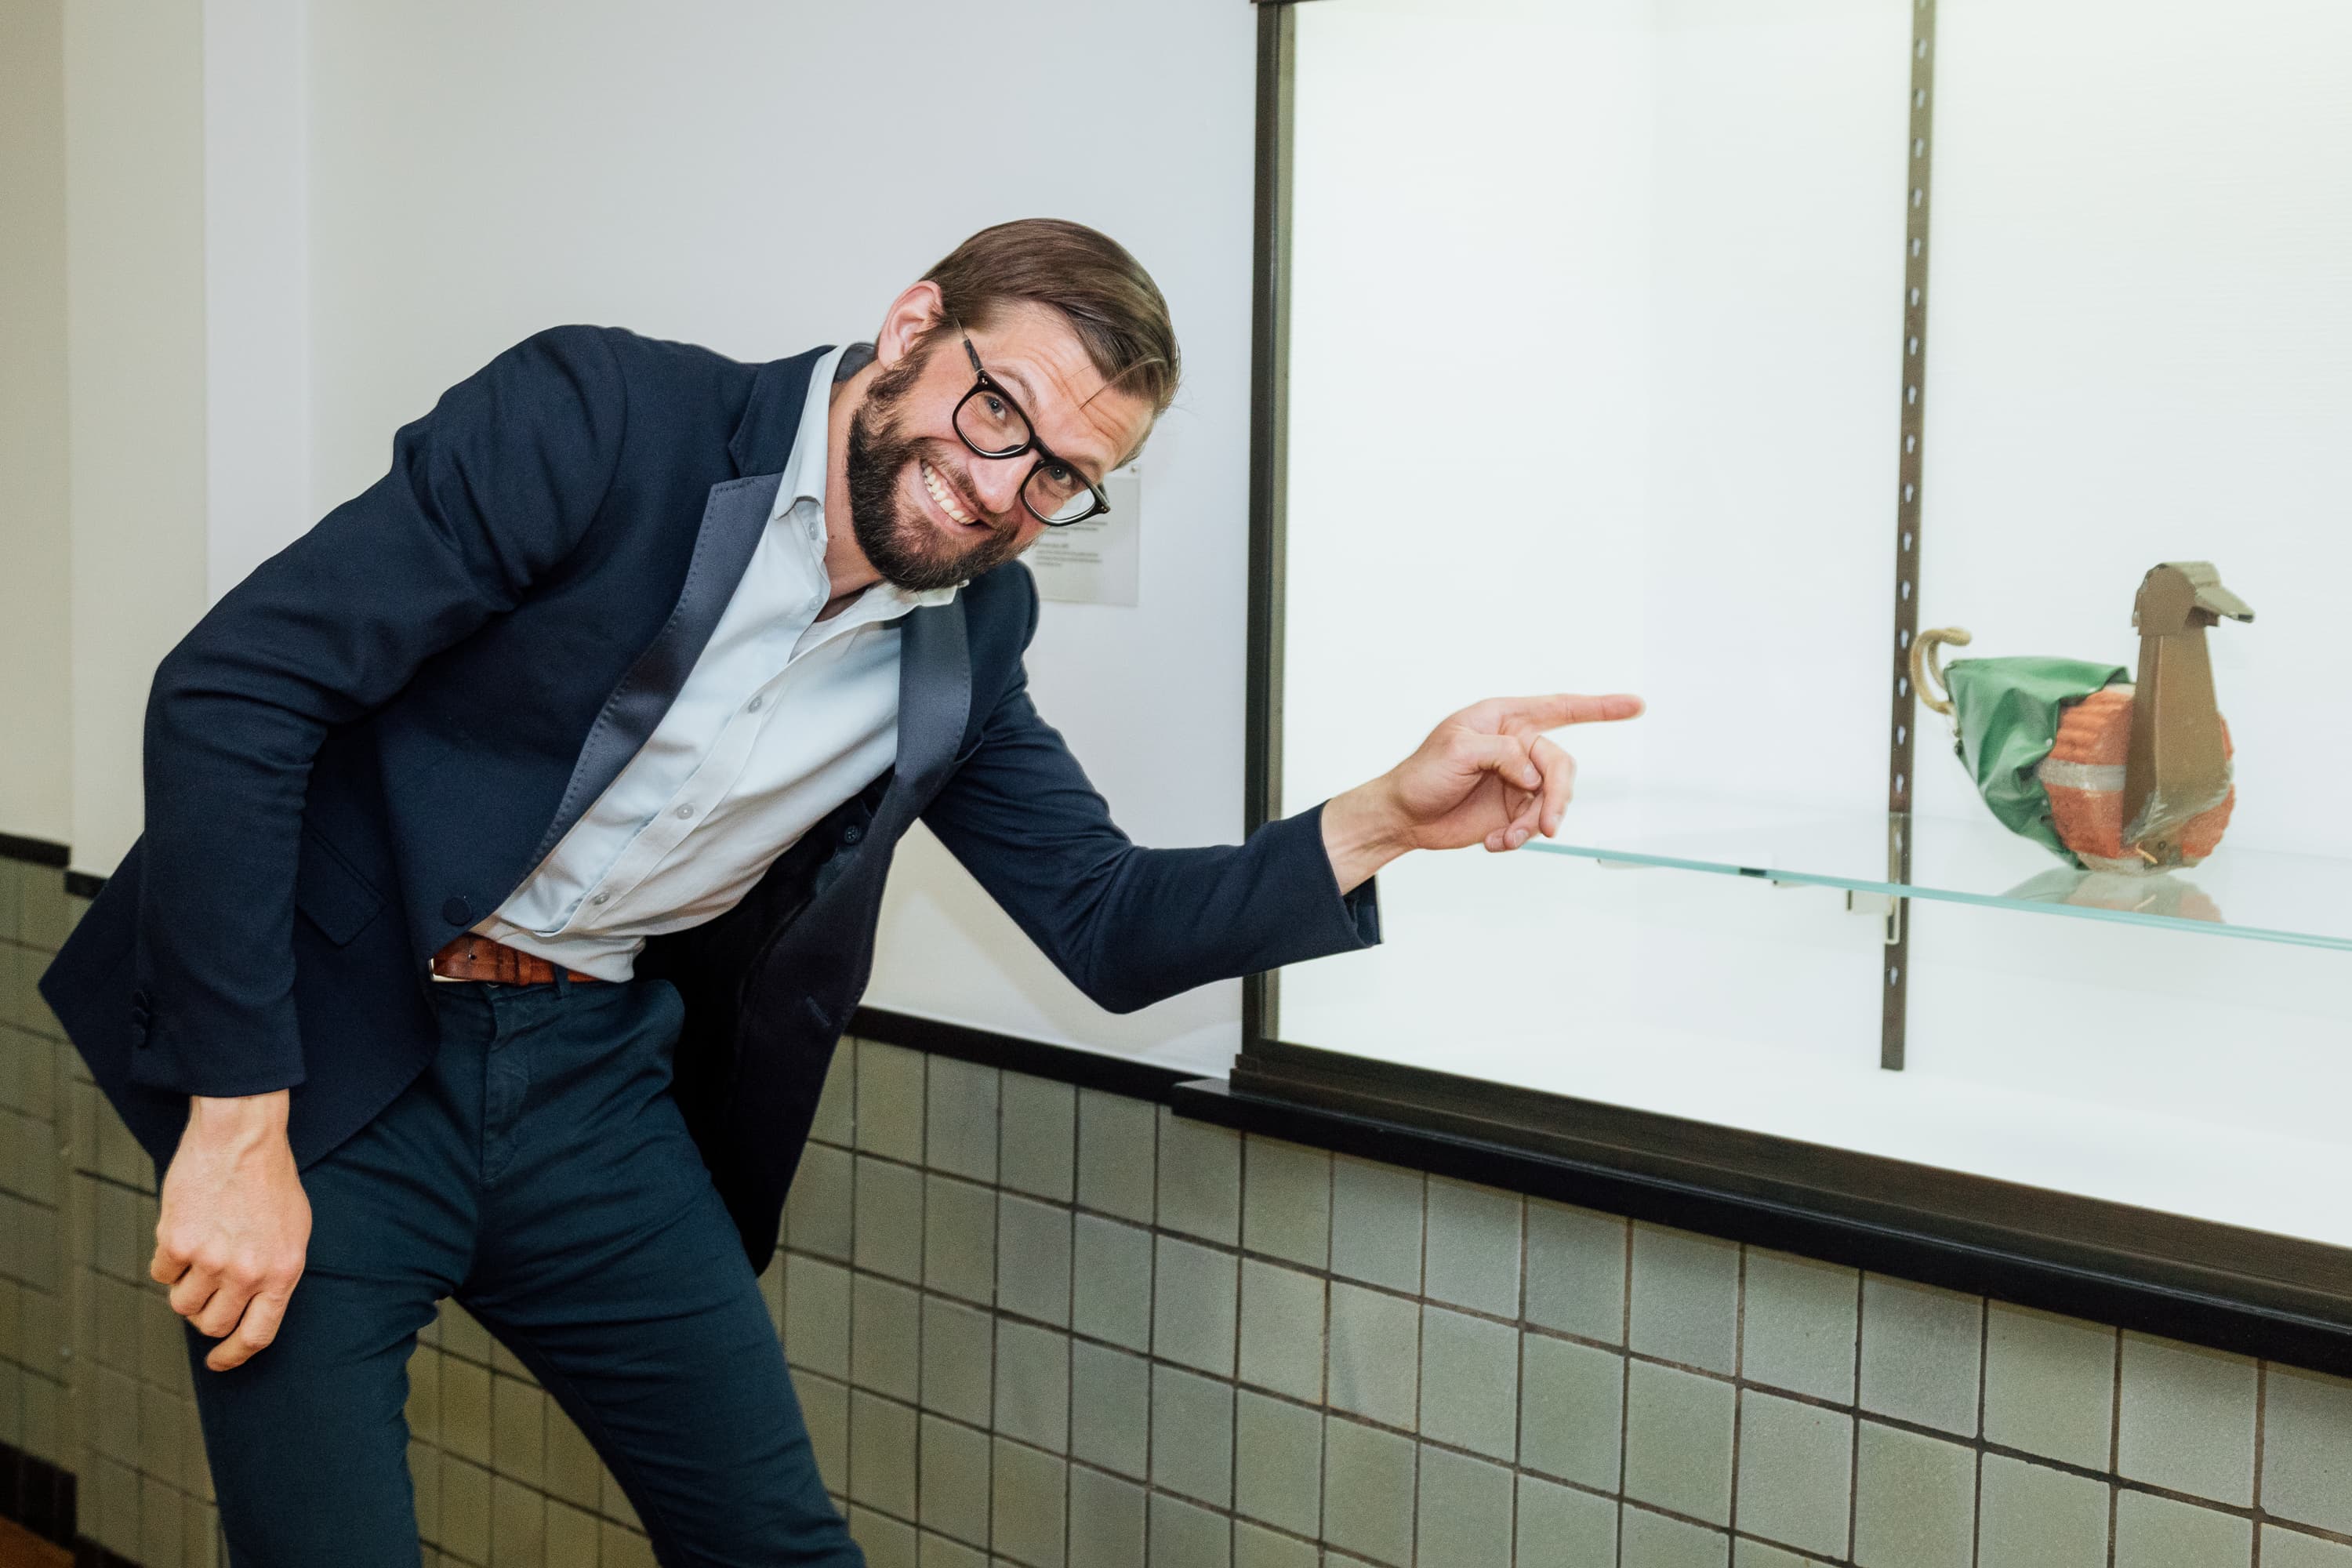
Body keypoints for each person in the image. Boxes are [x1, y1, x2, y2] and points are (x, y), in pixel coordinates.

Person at [40, 217, 1640, 1566]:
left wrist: (1381, 819)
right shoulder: (603, 415)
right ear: (910, 328)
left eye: (1065, 480)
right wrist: (236, 1119)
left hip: (589, 1088)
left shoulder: (971, 638)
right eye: (1000, 411)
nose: (1005, 487)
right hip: (334, 1057)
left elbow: (1105, 923)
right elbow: (235, 691)